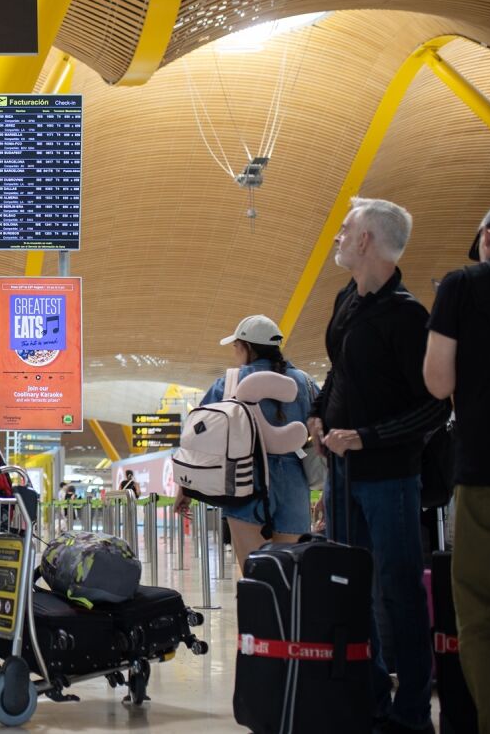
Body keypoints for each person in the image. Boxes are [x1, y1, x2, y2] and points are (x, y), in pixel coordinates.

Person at [308, 197, 451, 734]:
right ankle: (368, 699)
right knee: (351, 588)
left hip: (390, 478)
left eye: (345, 229)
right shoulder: (347, 299)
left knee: (399, 591)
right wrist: (319, 413)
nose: (338, 236)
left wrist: (365, 438)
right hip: (343, 477)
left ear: (366, 240)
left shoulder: (408, 316)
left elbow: (436, 406)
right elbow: (340, 371)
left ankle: (411, 713)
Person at [423, 199, 490, 734]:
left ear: (487, 236)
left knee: (485, 614)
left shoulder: (462, 285)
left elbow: (437, 383)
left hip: (488, 474)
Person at [187, 314, 318, 571]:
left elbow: (198, 435)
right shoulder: (306, 383)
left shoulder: (228, 383)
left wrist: (185, 489)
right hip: (294, 482)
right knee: (289, 572)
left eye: (236, 346)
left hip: (245, 481)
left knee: (254, 571)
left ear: (246, 347)